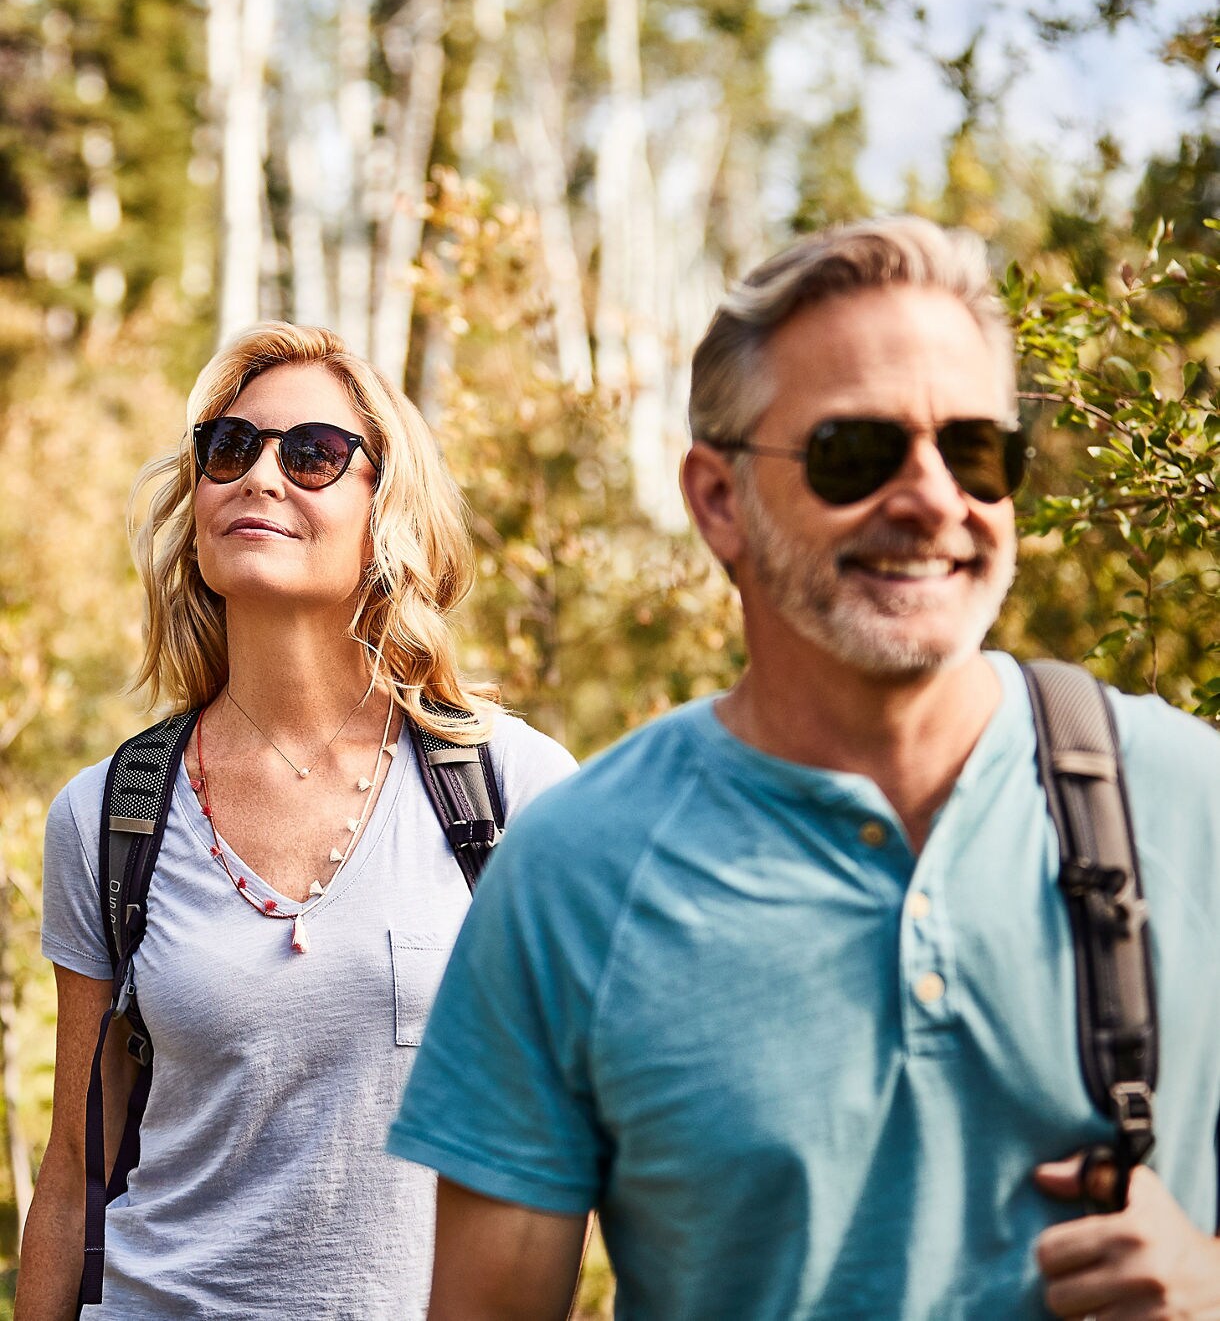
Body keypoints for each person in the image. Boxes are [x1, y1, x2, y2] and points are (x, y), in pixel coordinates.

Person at [388, 217, 1220, 1319]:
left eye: (975, 451)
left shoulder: (1187, 797)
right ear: (718, 500)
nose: (934, 499)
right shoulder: (573, 870)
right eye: (854, 453)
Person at [16, 322, 575, 1319]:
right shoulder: (106, 815)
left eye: (313, 453)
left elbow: (578, 1146)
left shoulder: (511, 788)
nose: (260, 475)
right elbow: (72, 1171)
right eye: (229, 449)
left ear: (385, 511)